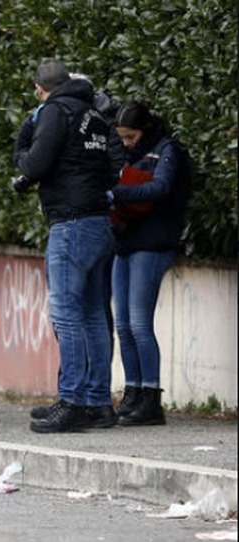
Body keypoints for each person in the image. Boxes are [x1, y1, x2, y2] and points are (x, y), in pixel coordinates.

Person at [12, 58, 116, 433]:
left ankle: (71, 401)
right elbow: (109, 170)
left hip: (70, 223)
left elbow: (36, 164)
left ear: (41, 89)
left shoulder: (55, 111)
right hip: (99, 222)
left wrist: (23, 144)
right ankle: (98, 403)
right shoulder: (95, 115)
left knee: (66, 313)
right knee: (92, 314)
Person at [107, 101, 190, 426]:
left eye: (131, 136)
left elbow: (161, 187)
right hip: (125, 241)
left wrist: (116, 195)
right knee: (124, 325)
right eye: (122, 137)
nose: (126, 143)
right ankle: (133, 393)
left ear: (146, 129)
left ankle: (151, 398)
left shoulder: (167, 150)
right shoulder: (127, 154)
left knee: (140, 324)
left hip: (152, 243)